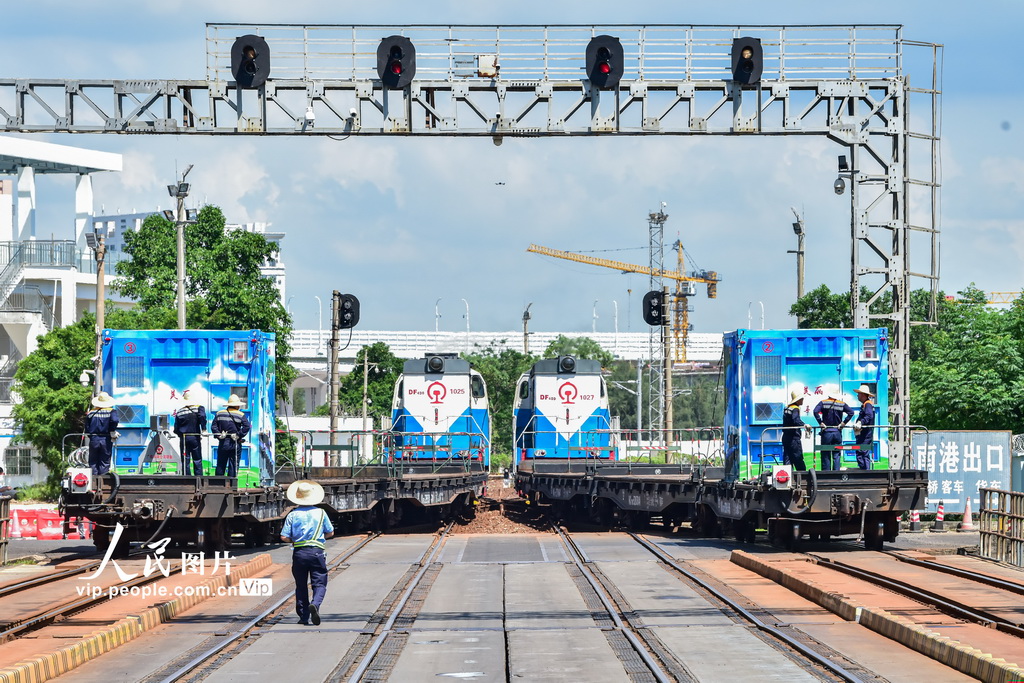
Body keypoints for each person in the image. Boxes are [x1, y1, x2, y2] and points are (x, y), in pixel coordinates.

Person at [281, 480, 334, 626]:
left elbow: (284, 536)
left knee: (301, 585)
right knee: (320, 583)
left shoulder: (293, 515)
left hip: (299, 553)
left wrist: (295, 540)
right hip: (317, 552)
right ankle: (315, 604)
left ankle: (303, 616)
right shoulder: (321, 513)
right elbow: (330, 532)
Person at [813, 386, 854, 471]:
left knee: (825, 454)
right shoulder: (841, 403)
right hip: (837, 432)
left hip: (826, 432)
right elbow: (851, 412)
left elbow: (815, 411)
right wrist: (843, 423)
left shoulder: (823, 402)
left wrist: (820, 422)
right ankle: (836, 475)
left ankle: (826, 475)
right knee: (836, 454)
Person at [212, 394, 251, 477]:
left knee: (220, 464)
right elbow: (247, 426)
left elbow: (213, 426)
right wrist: (239, 435)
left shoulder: (219, 413)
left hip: (223, 442)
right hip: (235, 442)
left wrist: (219, 435)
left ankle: (218, 483)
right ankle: (231, 484)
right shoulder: (240, 414)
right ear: (237, 405)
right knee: (233, 464)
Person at [174, 390, 207, 476]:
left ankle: (186, 481)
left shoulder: (180, 412)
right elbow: (202, 417)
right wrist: (203, 429)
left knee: (185, 460)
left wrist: (181, 435)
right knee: (197, 459)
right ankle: (199, 480)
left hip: (183, 438)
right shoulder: (199, 408)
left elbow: (176, 429)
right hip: (194, 437)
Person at [86, 391, 119, 476]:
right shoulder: (111, 411)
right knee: (104, 460)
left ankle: (93, 480)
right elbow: (115, 420)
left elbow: (87, 427)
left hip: (94, 439)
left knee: (93, 461)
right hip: (106, 438)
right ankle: (103, 480)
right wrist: (112, 430)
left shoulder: (91, 413)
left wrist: (91, 436)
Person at [781, 389, 810, 470]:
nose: (803, 400)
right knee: (798, 458)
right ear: (798, 400)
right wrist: (804, 425)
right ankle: (803, 477)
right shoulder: (795, 408)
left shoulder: (787, 408)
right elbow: (795, 420)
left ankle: (788, 477)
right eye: (801, 399)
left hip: (785, 437)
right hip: (794, 438)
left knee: (787, 458)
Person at [853, 384, 876, 470]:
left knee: (862, 451)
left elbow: (869, 416)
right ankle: (864, 470)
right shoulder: (865, 404)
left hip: (866, 433)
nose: (857, 395)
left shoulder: (868, 404)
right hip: (864, 433)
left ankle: (865, 472)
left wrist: (860, 423)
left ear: (862, 394)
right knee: (861, 451)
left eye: (859, 394)